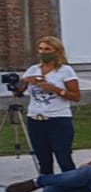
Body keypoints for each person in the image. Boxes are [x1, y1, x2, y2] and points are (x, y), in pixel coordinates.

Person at [18, 35, 81, 178]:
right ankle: (48, 186)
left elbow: (76, 96)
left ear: (56, 51)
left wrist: (55, 89)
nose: (43, 52)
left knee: (63, 158)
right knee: (43, 160)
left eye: (47, 49)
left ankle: (72, 186)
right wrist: (25, 81)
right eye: (40, 49)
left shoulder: (65, 71)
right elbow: (18, 93)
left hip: (58, 119)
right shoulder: (33, 69)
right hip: (35, 119)